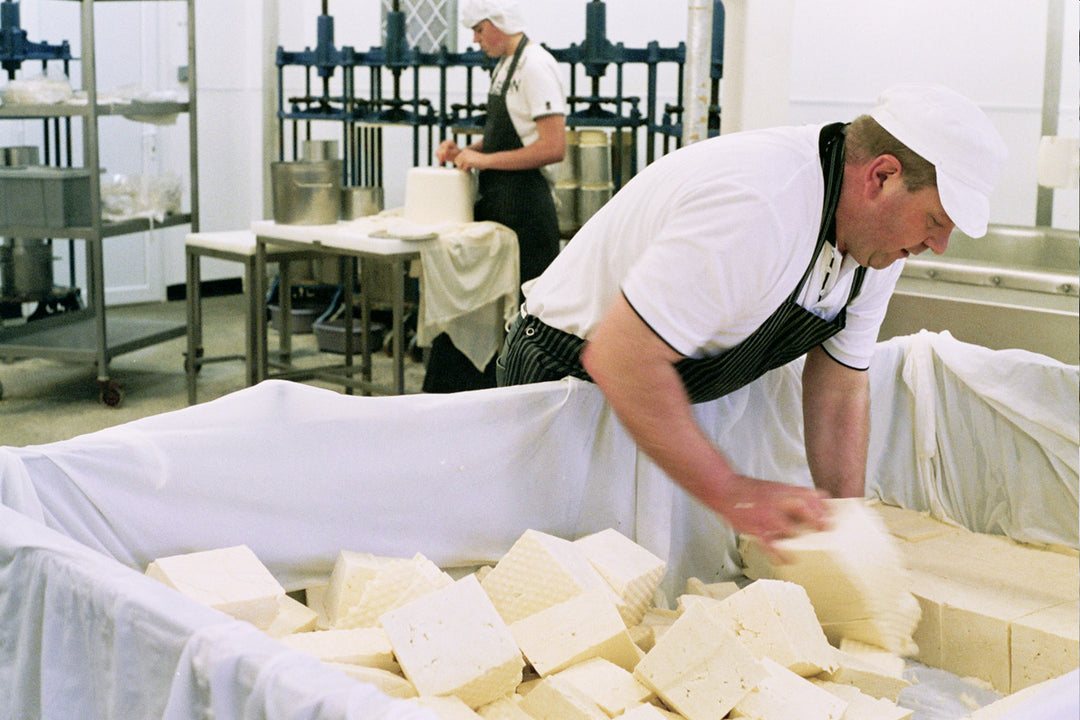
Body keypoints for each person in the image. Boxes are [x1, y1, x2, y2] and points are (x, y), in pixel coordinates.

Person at [496, 83, 1008, 550]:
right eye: (936, 221)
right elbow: (621, 358)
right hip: (568, 390)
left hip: (656, 401)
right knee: (556, 605)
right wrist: (733, 492)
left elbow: (839, 386)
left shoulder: (879, 244)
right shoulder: (763, 204)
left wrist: (848, 532)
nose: (937, 246)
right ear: (882, 176)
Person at [423, 0, 568, 393]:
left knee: (529, 322)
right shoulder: (505, 67)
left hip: (526, 214)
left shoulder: (535, 66)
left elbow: (553, 147)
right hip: (500, 204)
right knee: (490, 319)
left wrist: (485, 160)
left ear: (501, 23)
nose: (474, 39)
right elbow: (514, 134)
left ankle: (528, 400)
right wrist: (469, 151)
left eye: (479, 29)